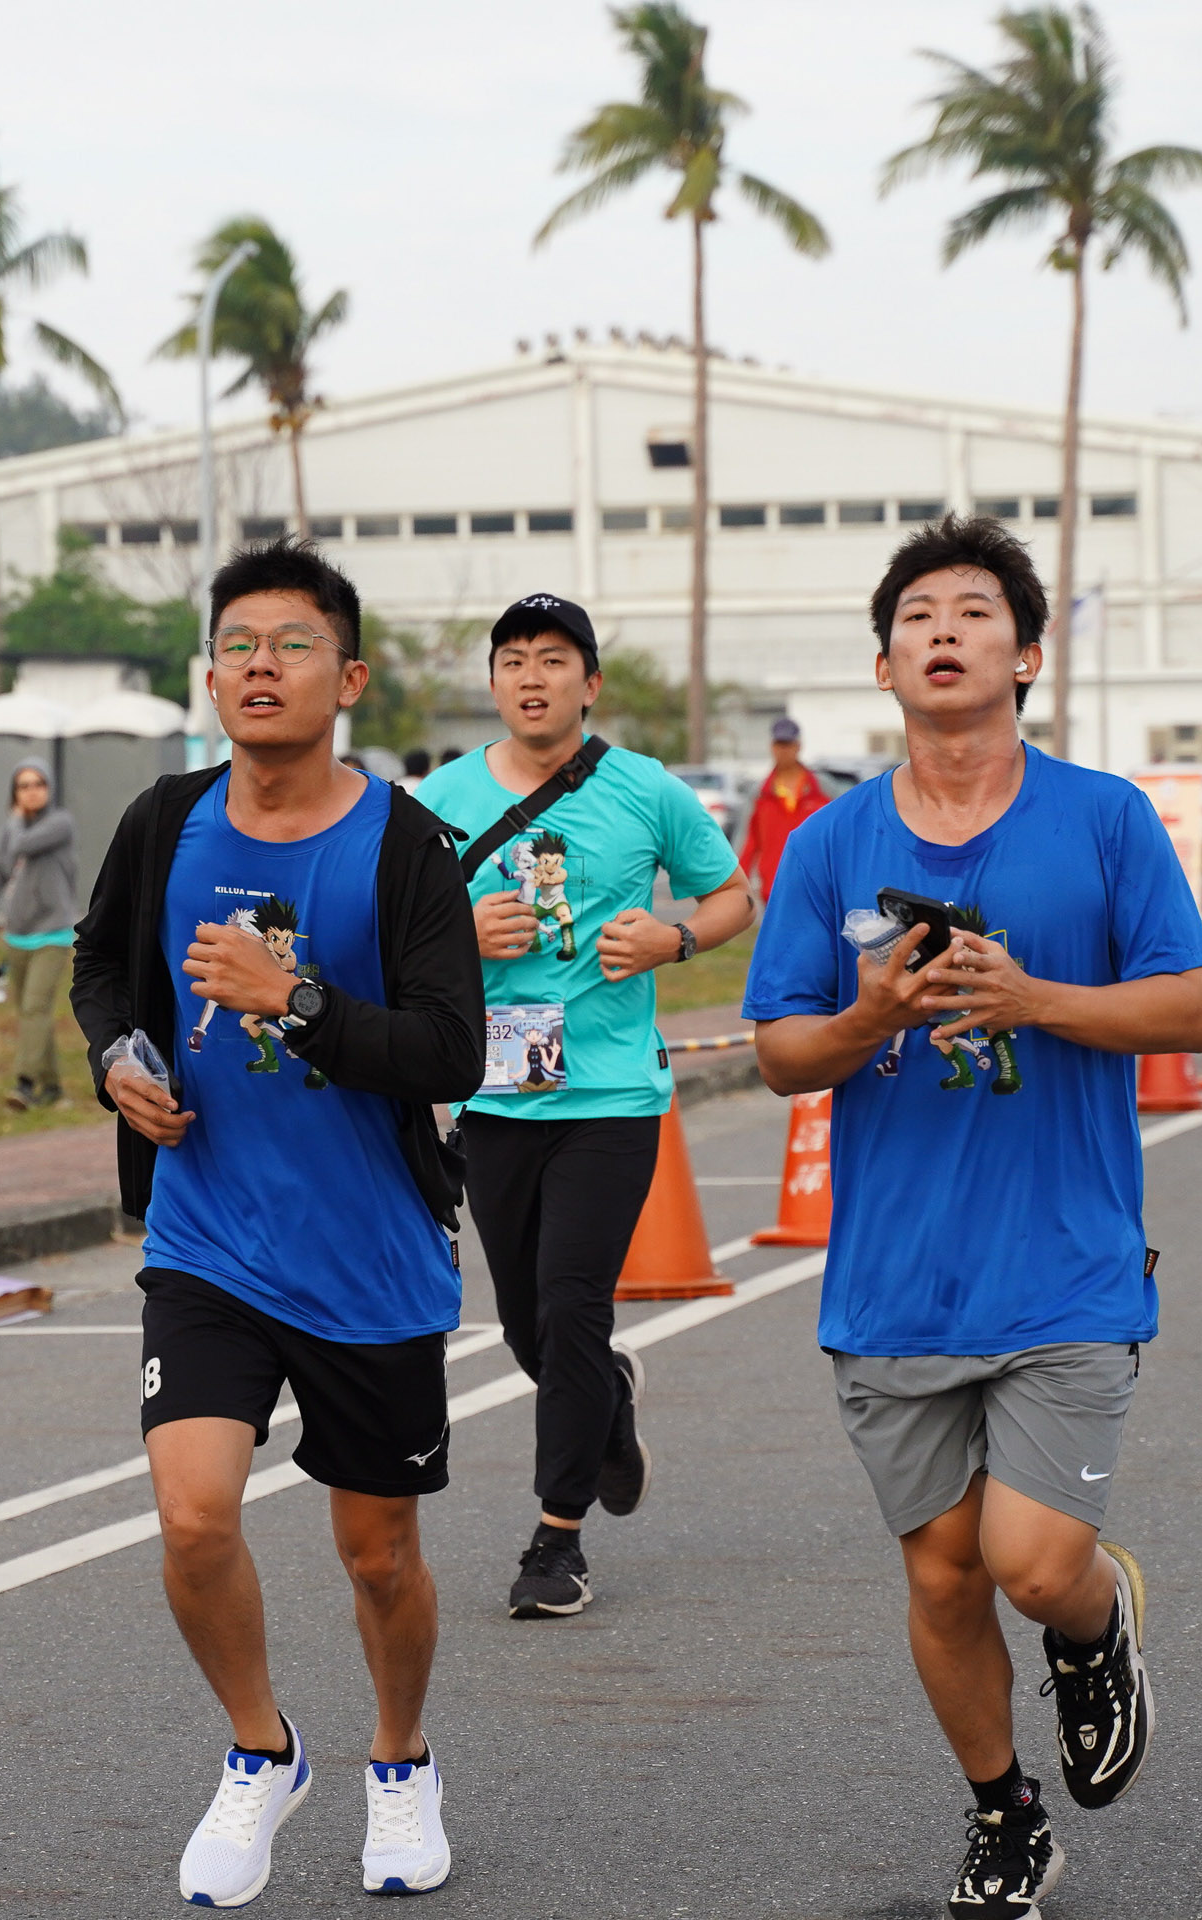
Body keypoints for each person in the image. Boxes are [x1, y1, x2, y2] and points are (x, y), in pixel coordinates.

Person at [743, 515, 1202, 1920]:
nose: (944, 631)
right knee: (945, 1578)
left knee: (1029, 1563)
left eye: (974, 611)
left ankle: (1091, 1619)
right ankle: (1006, 1815)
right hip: (894, 1283)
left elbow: (1192, 1005)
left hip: (1065, 1264)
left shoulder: (1104, 820)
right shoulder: (830, 845)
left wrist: (1034, 1000)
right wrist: (869, 1017)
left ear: (1025, 654)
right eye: (918, 616)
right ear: (883, 664)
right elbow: (780, 1052)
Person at [70, 538, 482, 1906]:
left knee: (379, 1555)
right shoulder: (164, 822)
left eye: (295, 644)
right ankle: (262, 1749)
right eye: (238, 645)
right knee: (194, 1518)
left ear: (348, 679)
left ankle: (401, 1761)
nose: (262, 665)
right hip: (209, 1239)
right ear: (210, 679)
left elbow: (450, 1051)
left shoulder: (406, 846)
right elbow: (99, 966)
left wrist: (289, 998)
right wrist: (117, 1060)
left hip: (369, 1259)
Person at [414, 593, 752, 1620]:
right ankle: (606, 1393)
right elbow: (394, 936)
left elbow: (735, 897)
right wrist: (461, 933)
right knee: (527, 1325)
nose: (533, 676)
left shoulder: (645, 789)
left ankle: (556, 1539)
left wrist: (672, 939)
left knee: (570, 1306)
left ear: (589, 683)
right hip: (495, 1094)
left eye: (554, 659)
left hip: (611, 1096)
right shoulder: (440, 798)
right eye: (514, 659)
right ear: (493, 684)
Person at [0, 758, 80, 1111]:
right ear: (14, 792)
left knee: (35, 1008)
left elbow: (23, 845)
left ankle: (24, 1085)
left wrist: (14, 821)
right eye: (24, 786)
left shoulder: (59, 824)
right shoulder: (13, 828)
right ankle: (53, 1089)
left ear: (49, 788)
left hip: (52, 935)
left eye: (39, 784)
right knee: (31, 1013)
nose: (32, 792)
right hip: (18, 937)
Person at [740, 715, 830, 903]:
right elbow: (747, 843)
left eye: (788, 744)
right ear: (771, 747)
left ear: (798, 746)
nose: (783, 751)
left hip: (817, 888)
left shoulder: (822, 790)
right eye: (779, 745)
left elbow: (839, 836)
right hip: (773, 889)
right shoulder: (760, 794)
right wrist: (740, 887)